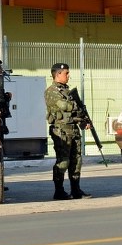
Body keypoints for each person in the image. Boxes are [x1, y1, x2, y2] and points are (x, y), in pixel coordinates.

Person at [44, 62, 91, 200]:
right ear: (58, 74)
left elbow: (75, 111)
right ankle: (59, 191)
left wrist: (83, 120)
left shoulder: (66, 91)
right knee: (63, 161)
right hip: (61, 131)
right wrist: (77, 106)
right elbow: (64, 106)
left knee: (76, 160)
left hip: (73, 129)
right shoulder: (51, 91)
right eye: (66, 73)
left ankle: (76, 190)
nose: (69, 76)